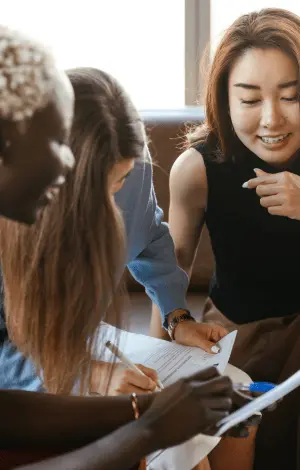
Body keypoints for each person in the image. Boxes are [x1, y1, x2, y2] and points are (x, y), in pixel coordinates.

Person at [0, 65, 256, 470]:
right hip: (23, 368)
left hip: (83, 336)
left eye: (119, 181)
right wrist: (92, 377)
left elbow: (150, 236)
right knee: (181, 450)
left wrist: (176, 316)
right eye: (95, 188)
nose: (110, 206)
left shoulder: (131, 167)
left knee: (234, 393)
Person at [166, 7, 300, 470]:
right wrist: (158, 362)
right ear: (223, 100)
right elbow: (170, 269)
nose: (272, 119)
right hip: (239, 331)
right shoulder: (198, 168)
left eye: (291, 95)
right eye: (249, 99)